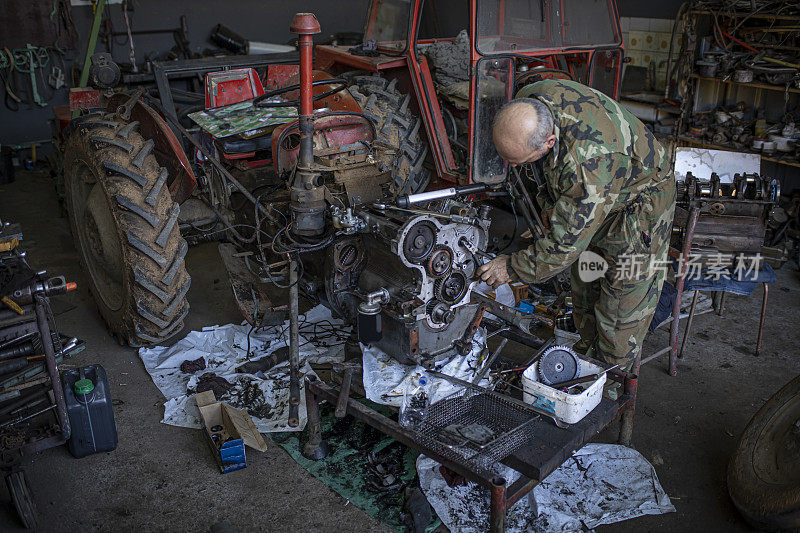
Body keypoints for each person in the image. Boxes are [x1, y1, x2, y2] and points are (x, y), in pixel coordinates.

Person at [477, 79, 676, 375]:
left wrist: (512, 267)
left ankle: (603, 390)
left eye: (517, 161)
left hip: (639, 209)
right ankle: (581, 365)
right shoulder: (530, 99)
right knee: (585, 296)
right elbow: (542, 170)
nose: (514, 166)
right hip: (599, 189)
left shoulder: (588, 165)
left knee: (618, 320)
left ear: (549, 142)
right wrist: (549, 206)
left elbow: (562, 248)